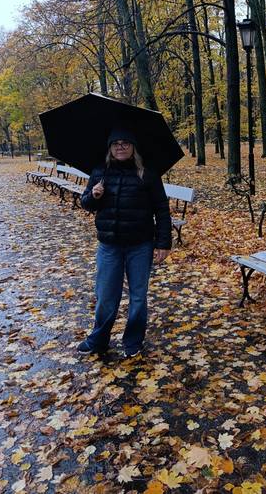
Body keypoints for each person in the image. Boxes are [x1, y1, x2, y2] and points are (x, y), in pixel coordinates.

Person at [77, 127, 172, 358]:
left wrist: (163, 243)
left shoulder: (147, 174)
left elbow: (161, 209)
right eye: (116, 143)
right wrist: (95, 195)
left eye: (125, 143)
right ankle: (99, 339)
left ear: (133, 148)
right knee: (106, 295)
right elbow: (86, 203)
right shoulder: (100, 172)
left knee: (138, 296)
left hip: (140, 246)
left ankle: (133, 340)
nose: (120, 147)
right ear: (110, 148)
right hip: (109, 246)